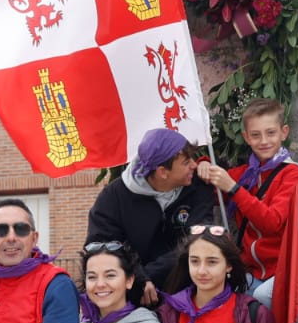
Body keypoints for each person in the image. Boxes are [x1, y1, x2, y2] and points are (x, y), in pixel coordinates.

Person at [86, 128, 217, 304]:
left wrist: (149, 276)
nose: (194, 165)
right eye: (186, 162)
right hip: (133, 296)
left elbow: (196, 240)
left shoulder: (199, 187)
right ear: (163, 172)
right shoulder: (113, 197)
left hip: (189, 291)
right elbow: (102, 246)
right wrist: (139, 278)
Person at [194, 98, 298, 307]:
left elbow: (271, 222)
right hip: (249, 271)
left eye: (270, 133)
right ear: (246, 137)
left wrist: (234, 189)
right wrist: (204, 164)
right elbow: (212, 188)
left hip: (281, 271)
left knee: (260, 298)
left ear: (284, 132)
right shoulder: (245, 174)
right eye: (255, 135)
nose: (264, 141)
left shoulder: (293, 174)